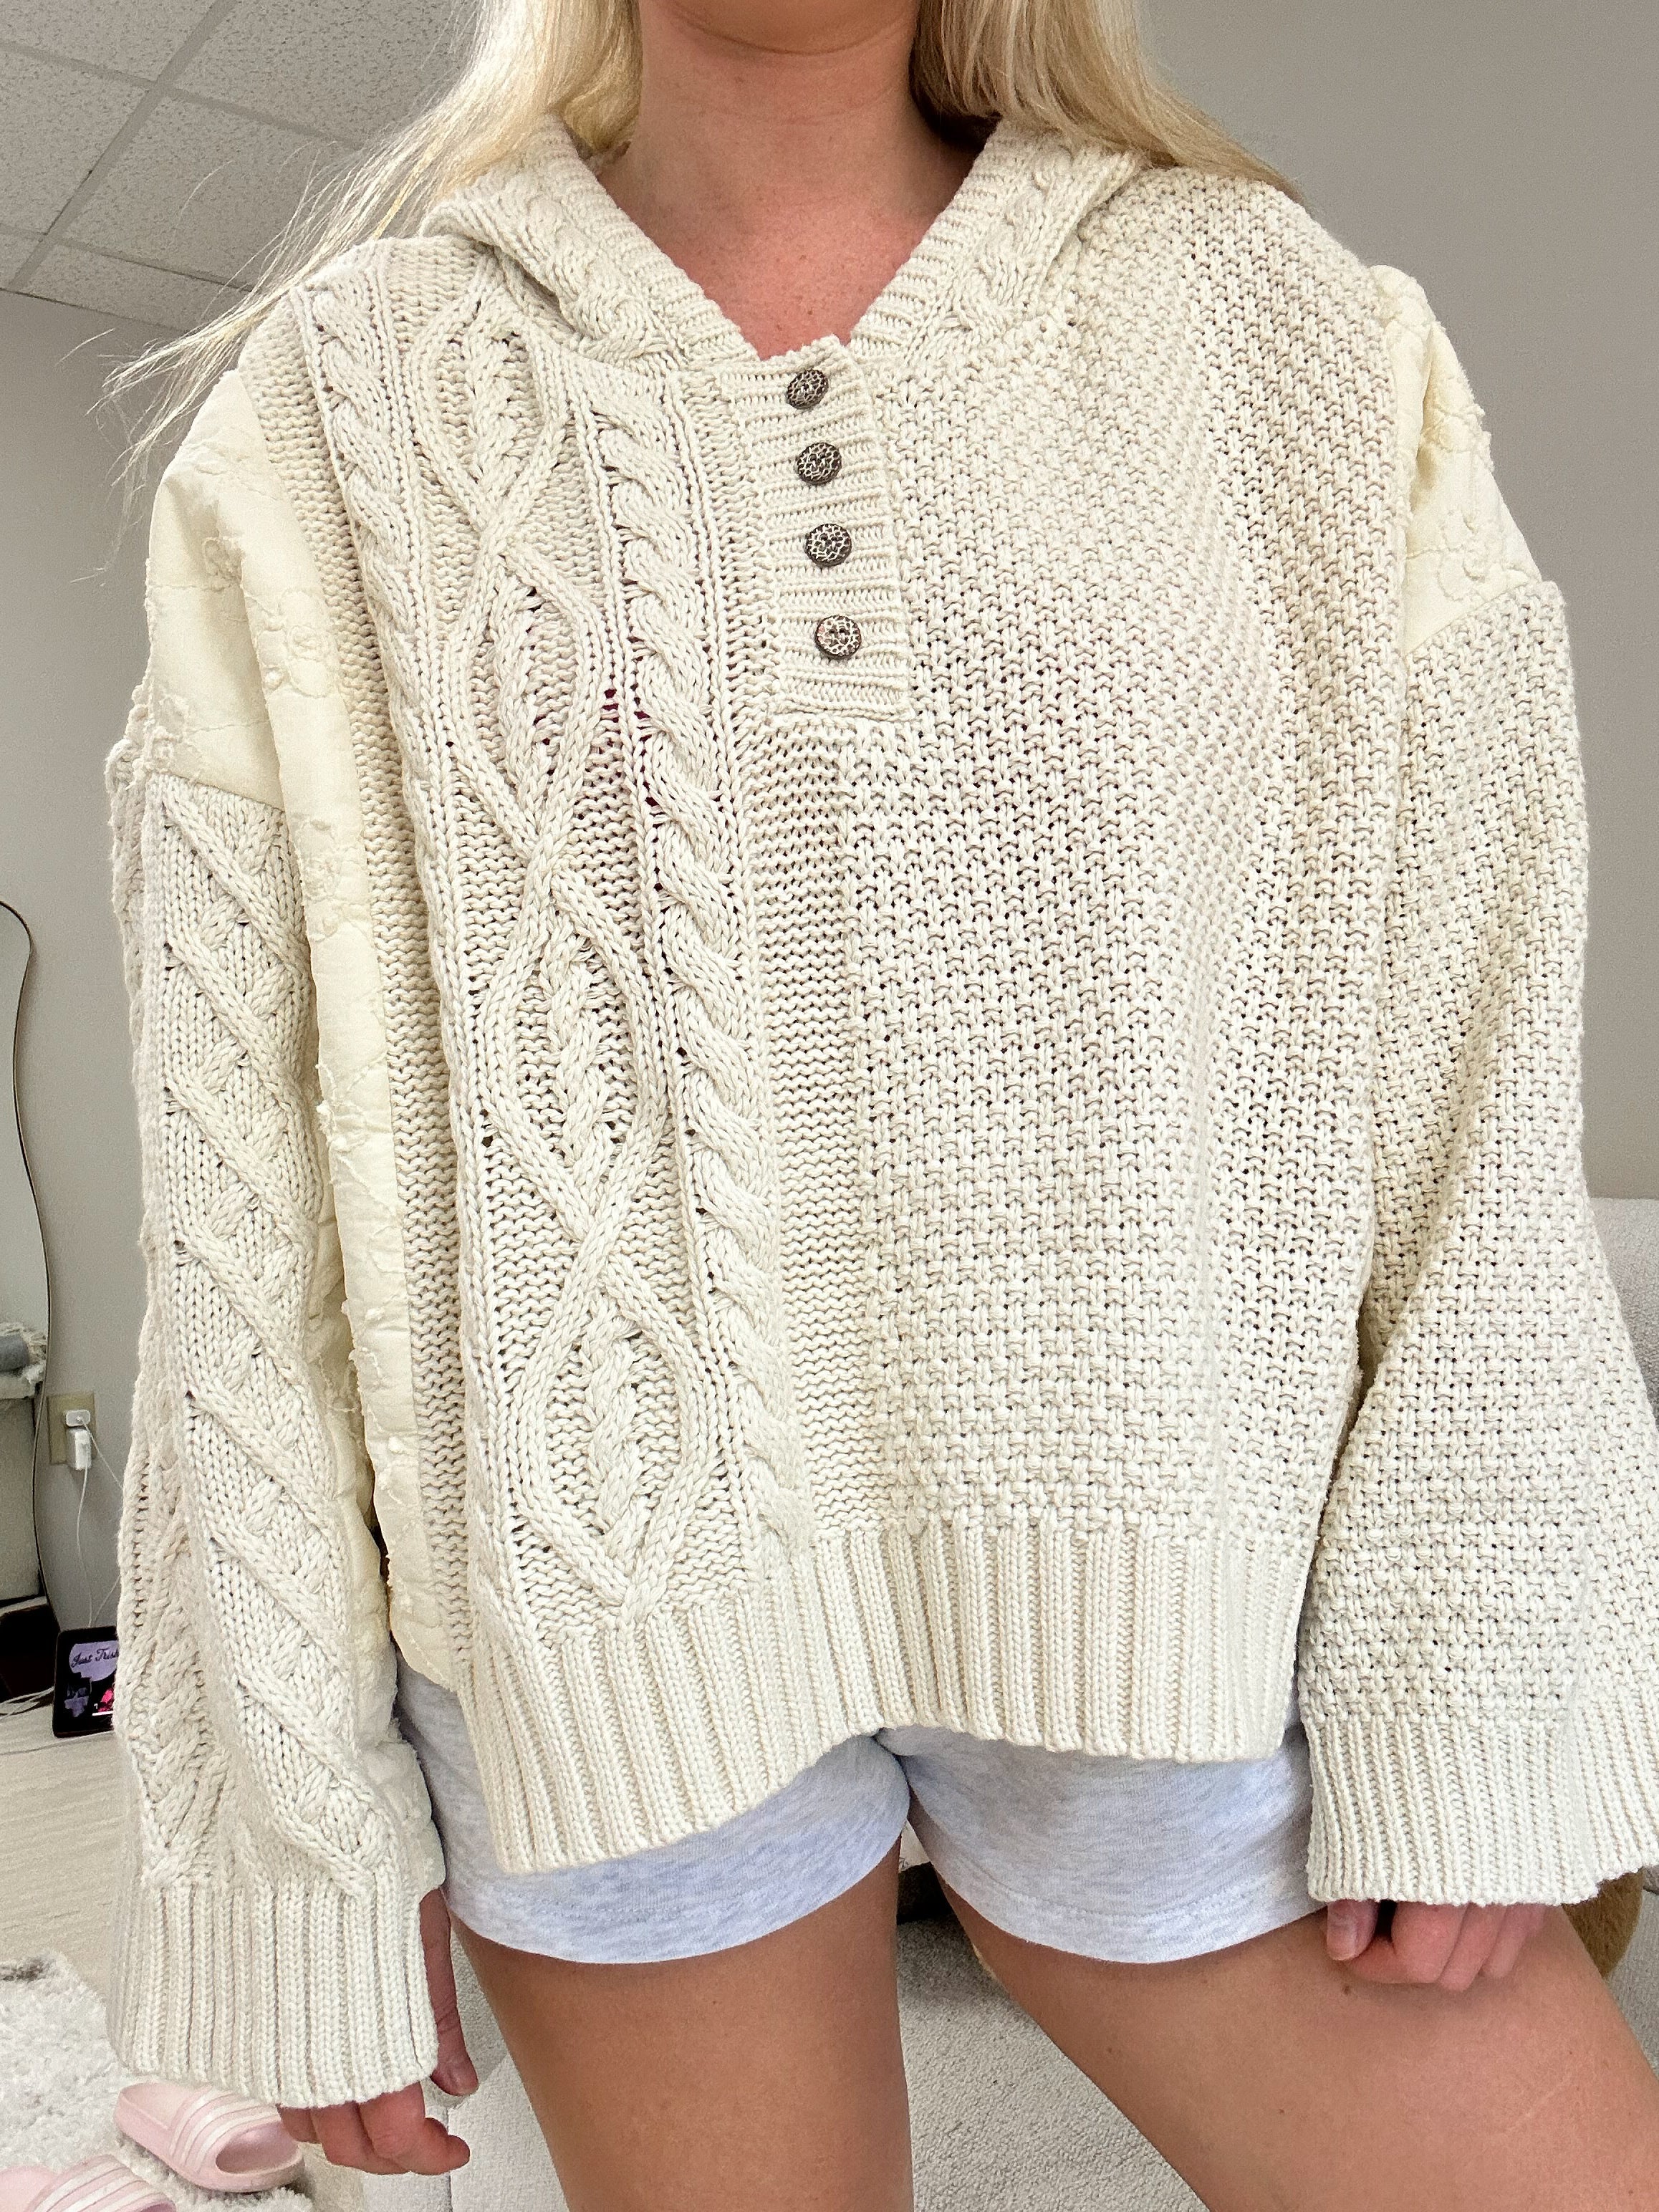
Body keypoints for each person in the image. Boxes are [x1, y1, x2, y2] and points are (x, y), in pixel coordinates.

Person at [102, 1, 1659, 2205]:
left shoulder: (1281, 323)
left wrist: (1480, 1677)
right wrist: (297, 1861)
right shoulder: (339, 393)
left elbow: (1469, 1070)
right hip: (597, 1638)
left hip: (1203, 1600)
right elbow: (237, 1184)